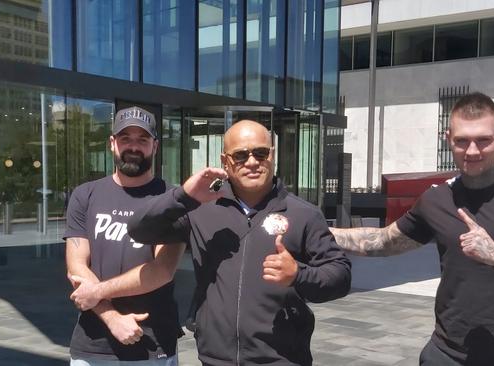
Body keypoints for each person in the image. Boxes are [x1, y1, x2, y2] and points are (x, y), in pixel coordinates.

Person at [330, 92, 494, 366]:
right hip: (445, 355)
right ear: (448, 138)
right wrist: (317, 230)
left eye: (483, 140)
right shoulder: (437, 199)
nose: (472, 151)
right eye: (462, 140)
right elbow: (383, 241)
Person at [127, 120, 351, 366]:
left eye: (260, 152)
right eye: (241, 155)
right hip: (215, 359)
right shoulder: (200, 209)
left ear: (272, 155)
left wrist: (299, 274)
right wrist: (182, 195)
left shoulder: (303, 214)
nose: (252, 162)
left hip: (282, 359)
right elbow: (139, 230)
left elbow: (340, 275)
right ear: (225, 161)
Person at [64, 106, 185, 366]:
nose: (133, 146)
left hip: (152, 343)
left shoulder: (171, 200)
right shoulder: (85, 195)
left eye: (142, 140)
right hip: (92, 345)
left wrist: (96, 292)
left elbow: (162, 271)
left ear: (155, 145)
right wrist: (111, 318)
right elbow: (76, 267)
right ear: (112, 143)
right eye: (125, 138)